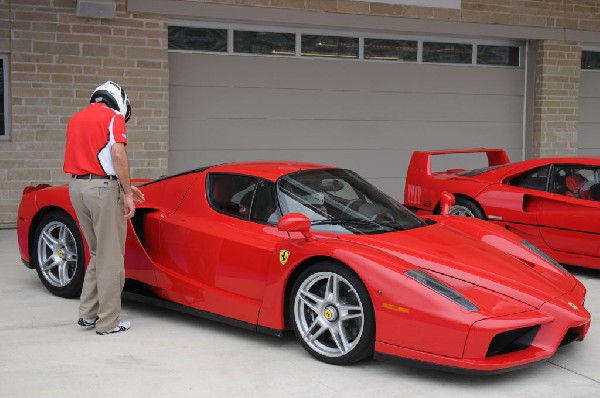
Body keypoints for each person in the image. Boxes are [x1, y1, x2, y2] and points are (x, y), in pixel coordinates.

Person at [63, 81, 145, 335]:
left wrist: (126, 187)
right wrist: (127, 193)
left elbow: (93, 157)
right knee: (111, 258)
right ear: (118, 99)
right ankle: (108, 322)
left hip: (77, 189)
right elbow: (117, 154)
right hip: (101, 190)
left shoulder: (75, 119)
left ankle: (88, 315)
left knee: (98, 253)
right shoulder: (114, 117)